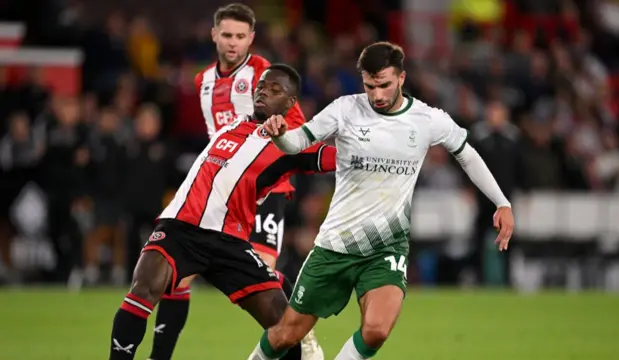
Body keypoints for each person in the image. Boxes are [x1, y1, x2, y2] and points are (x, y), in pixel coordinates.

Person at [247, 42, 515, 360]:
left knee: (376, 330)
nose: (377, 95)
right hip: (335, 245)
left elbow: (467, 155)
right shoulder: (344, 109)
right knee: (285, 335)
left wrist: (502, 202)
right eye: (370, 86)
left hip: (386, 246)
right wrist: (279, 133)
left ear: (401, 78)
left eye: (384, 85)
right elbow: (296, 143)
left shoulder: (427, 119)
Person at [109, 64, 336, 360]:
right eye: (262, 86)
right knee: (143, 287)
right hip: (180, 227)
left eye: (275, 89)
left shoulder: (291, 144)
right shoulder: (231, 125)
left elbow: (335, 157)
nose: (264, 91)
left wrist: (379, 146)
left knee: (286, 328)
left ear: (291, 103)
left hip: (230, 243)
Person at [150, 4, 323, 359]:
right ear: (214, 35)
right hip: (220, 194)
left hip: (266, 188)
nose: (233, 44)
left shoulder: (264, 75)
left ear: (252, 39)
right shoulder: (202, 82)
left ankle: (303, 337)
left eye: (240, 37)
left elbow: (297, 130)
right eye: (227, 35)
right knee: (178, 276)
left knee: (263, 269)